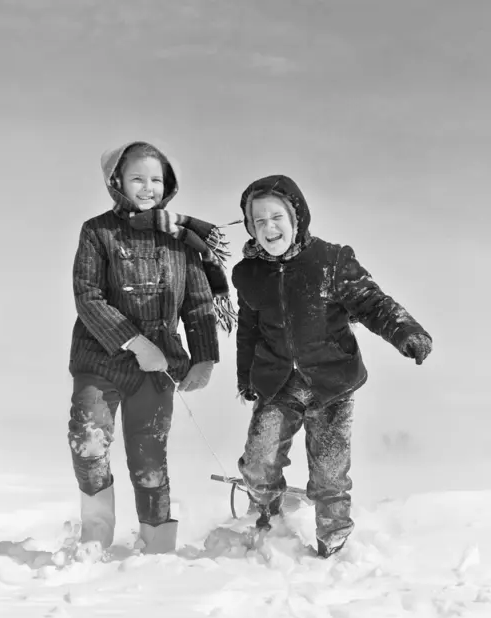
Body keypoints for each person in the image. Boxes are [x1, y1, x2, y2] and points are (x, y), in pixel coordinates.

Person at [232, 175, 432, 558]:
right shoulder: (248, 274)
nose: (269, 228)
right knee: (257, 463)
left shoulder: (331, 261)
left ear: (297, 217)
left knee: (328, 474)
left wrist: (405, 331)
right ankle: (267, 516)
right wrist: (246, 379)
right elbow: (248, 331)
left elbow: (372, 302)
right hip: (278, 383)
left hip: (331, 383)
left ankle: (333, 539)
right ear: (250, 227)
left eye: (276, 217)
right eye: (258, 221)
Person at [68, 140, 233, 557]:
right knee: (88, 443)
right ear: (117, 182)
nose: (147, 187)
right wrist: (135, 342)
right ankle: (95, 533)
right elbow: (88, 296)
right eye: (137, 178)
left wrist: (205, 359)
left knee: (148, 460)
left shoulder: (182, 240)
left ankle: (157, 544)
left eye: (156, 179)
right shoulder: (97, 231)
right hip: (100, 359)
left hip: (157, 368)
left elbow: (196, 303)